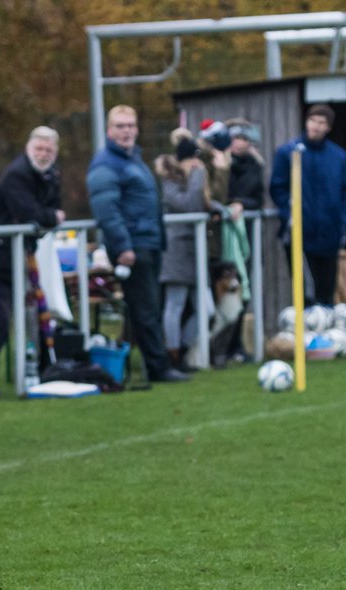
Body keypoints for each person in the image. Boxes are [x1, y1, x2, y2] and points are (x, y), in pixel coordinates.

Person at [0, 126, 65, 396]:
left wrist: (48, 215)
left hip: (20, 257)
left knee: (24, 317)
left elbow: (48, 208)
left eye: (48, 150)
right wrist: (52, 217)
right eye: (39, 148)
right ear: (29, 148)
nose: (43, 154)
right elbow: (30, 212)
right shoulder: (18, 174)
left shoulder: (51, 174)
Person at [88, 106, 188, 383]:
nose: (127, 131)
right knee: (145, 309)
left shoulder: (135, 160)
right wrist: (123, 246)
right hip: (133, 246)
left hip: (150, 242)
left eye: (131, 125)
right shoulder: (106, 164)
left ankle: (143, 366)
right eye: (120, 126)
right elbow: (106, 209)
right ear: (109, 130)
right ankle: (159, 369)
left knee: (148, 308)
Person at [268, 103, 346, 308]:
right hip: (299, 231)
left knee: (326, 287)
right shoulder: (288, 152)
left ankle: (325, 331)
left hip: (329, 231)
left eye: (321, 122)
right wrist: (290, 215)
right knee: (303, 288)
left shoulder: (338, 156)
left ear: (328, 127)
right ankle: (305, 332)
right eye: (312, 120)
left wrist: (344, 222)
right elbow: (277, 187)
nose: (315, 126)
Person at [155, 132, 209, 370]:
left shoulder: (189, 178)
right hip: (176, 248)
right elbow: (189, 204)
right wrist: (198, 176)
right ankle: (172, 354)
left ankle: (184, 347)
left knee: (206, 309)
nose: (197, 164)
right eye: (193, 160)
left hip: (195, 249)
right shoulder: (171, 180)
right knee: (174, 304)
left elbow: (202, 203)